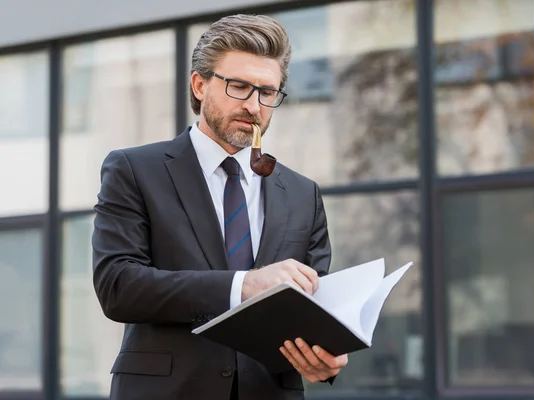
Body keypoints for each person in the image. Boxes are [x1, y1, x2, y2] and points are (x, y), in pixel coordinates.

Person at [91, 13, 348, 400]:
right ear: (199, 85)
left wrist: (324, 354)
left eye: (267, 92)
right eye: (239, 87)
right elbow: (118, 285)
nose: (254, 106)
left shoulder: (303, 193)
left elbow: (311, 306)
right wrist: (243, 285)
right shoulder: (133, 169)